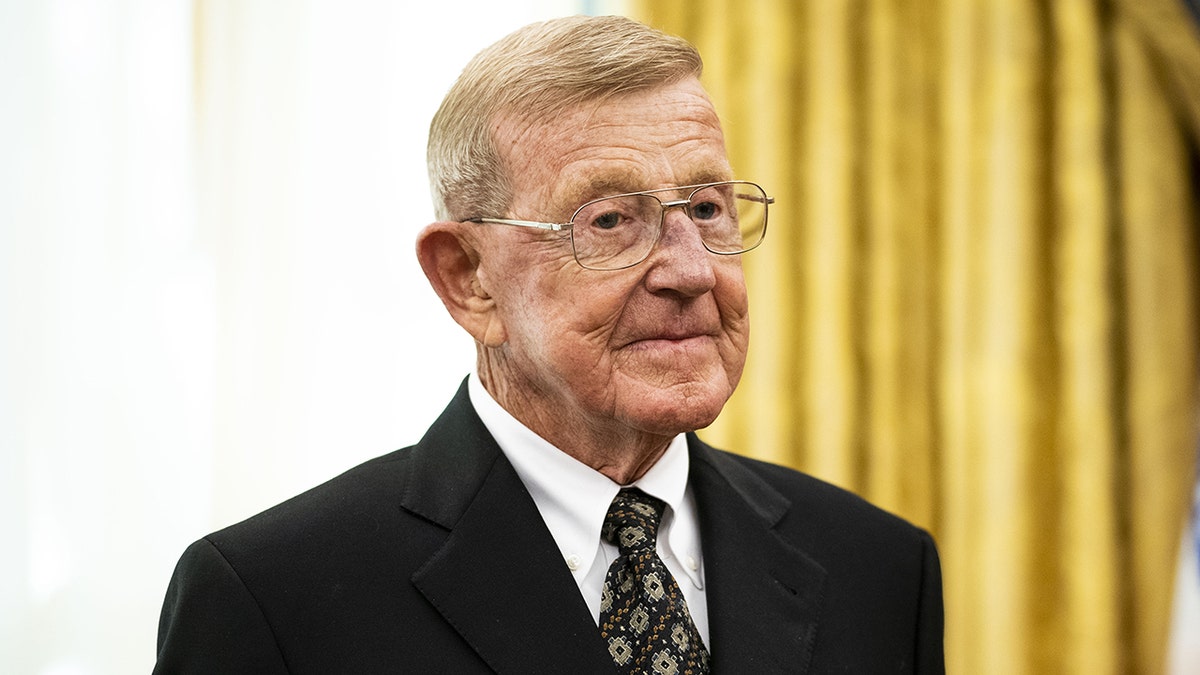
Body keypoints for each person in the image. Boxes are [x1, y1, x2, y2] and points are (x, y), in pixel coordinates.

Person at [154, 15, 944, 674]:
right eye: (609, 220)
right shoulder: (273, 599)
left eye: (707, 208)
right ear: (468, 277)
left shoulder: (877, 567)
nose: (692, 271)